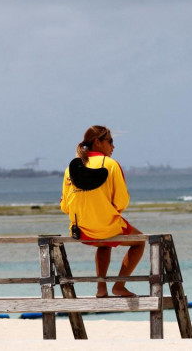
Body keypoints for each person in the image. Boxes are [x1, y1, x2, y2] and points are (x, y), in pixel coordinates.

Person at [60, 125, 144, 297]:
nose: (113, 146)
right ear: (98, 142)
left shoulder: (71, 169)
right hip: (107, 226)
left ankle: (101, 288)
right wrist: (109, 212)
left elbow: (65, 206)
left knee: (104, 244)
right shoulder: (111, 165)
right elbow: (122, 201)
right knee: (139, 242)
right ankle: (119, 286)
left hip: (81, 230)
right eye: (110, 141)